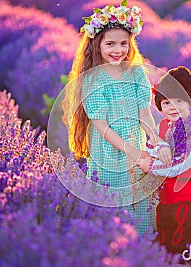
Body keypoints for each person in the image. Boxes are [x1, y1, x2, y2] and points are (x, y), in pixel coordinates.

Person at [61, 1, 171, 236]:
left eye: (123, 43)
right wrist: (132, 152)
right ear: (96, 45)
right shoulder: (93, 80)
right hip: (107, 153)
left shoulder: (136, 72)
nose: (117, 50)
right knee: (113, 205)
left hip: (136, 147)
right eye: (110, 44)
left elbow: (144, 113)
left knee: (141, 204)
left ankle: (142, 252)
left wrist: (156, 141)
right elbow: (102, 127)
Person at [137, 66, 191, 258]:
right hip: (166, 199)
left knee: (182, 246)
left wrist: (151, 167)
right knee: (165, 243)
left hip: (188, 201)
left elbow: (181, 165)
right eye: (166, 102)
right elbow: (154, 147)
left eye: (179, 101)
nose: (172, 107)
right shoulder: (164, 127)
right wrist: (144, 154)